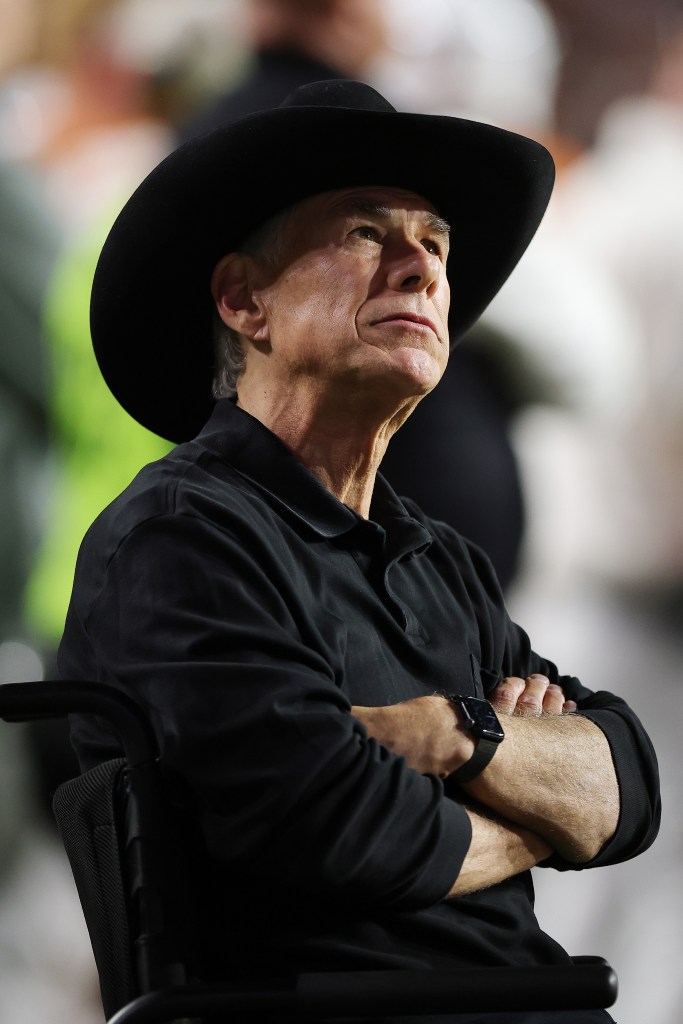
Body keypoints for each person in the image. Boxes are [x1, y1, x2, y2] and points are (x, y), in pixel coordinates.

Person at [58, 79, 660, 1024]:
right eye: (365, 235)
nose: (420, 269)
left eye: (436, 244)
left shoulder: (439, 558)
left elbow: (626, 787)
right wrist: (536, 819)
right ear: (243, 301)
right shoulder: (178, 542)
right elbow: (347, 832)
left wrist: (456, 737)